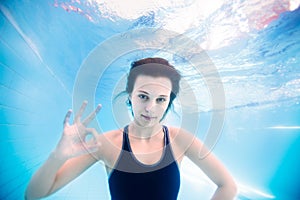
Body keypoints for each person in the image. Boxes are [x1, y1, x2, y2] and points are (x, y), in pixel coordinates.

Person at [25, 57, 237, 200]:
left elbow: (228, 185)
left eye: (160, 100)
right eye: (143, 96)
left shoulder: (180, 140)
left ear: (168, 102)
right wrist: (57, 156)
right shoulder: (108, 144)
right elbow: (34, 195)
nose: (150, 108)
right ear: (130, 95)